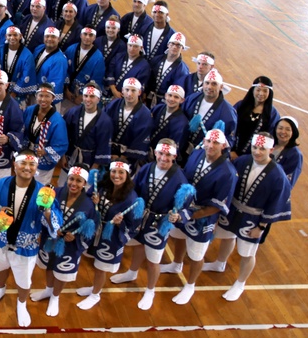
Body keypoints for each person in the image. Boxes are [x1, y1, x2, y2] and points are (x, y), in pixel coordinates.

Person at [204, 132, 293, 301]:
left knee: (247, 252)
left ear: (271, 150)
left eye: (262, 148)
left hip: (253, 218)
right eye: (255, 147)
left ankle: (240, 283)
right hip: (233, 210)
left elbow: (275, 203)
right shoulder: (243, 161)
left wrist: (261, 227)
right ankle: (219, 263)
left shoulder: (278, 176)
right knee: (227, 237)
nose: (257, 152)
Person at [111, 139, 192, 310]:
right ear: (155, 153)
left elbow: (185, 207)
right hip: (141, 216)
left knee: (154, 259)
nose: (164, 158)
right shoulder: (147, 168)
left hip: (159, 222)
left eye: (168, 155)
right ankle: (132, 272)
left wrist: (177, 217)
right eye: (161, 153)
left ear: (174, 156)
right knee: (139, 245)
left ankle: (150, 290)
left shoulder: (180, 179)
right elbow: (135, 189)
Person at [161, 128, 238, 304]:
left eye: (216, 143)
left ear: (223, 145)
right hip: (184, 209)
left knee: (196, 254)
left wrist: (190, 215)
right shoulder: (197, 154)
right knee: (178, 237)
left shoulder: (228, 172)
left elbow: (218, 206)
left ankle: (190, 285)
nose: (210, 146)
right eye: (208, 141)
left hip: (203, 216)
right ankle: (176, 264)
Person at [0, 151, 47, 327]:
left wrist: (47, 211)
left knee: (24, 279)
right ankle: (0, 289)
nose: (27, 167)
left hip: (26, 245)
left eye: (31, 164)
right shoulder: (0, 185)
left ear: (36, 167)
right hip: (2, 239)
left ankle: (22, 303)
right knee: (0, 267)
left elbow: (52, 217)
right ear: (14, 165)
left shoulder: (43, 192)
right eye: (23, 163)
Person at [31, 167, 98, 317]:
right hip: (50, 237)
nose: (74, 183)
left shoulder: (88, 204)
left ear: (85, 183)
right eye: (71, 179)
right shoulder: (56, 193)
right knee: (49, 265)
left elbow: (91, 227)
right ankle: (48, 289)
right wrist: (51, 226)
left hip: (70, 244)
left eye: (78, 181)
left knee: (61, 272)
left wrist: (75, 237)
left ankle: (55, 297)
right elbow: (42, 212)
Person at [76, 161, 140, 310]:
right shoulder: (102, 186)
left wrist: (120, 223)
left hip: (111, 236)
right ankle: (94, 287)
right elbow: (87, 198)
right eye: (113, 172)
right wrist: (94, 202)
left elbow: (133, 226)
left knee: (101, 266)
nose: (116, 175)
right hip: (96, 230)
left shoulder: (131, 198)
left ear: (127, 175)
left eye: (121, 173)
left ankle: (95, 294)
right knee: (94, 262)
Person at [183, 69, 238, 156]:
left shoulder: (228, 113)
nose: (209, 87)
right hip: (183, 145)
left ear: (221, 87)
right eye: (207, 83)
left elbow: (228, 139)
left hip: (205, 153)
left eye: (214, 84)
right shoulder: (192, 99)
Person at [21, 83, 68, 184]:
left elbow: (61, 144)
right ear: (36, 96)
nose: (43, 99)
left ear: (53, 98)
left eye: (47, 96)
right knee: (24, 182)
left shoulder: (58, 120)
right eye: (41, 95)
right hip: (27, 152)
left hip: (43, 158)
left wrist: (45, 151)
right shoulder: (29, 110)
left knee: (39, 187)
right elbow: (22, 130)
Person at [105, 78, 153, 170]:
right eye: (127, 90)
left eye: (133, 90)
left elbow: (141, 139)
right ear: (122, 91)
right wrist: (107, 151)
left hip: (128, 157)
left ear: (139, 92)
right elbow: (104, 127)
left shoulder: (145, 114)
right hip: (108, 152)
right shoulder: (113, 105)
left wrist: (122, 158)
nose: (129, 94)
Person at [63, 83, 113, 171]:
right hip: (70, 156)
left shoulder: (105, 121)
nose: (88, 99)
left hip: (90, 161)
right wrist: (63, 156)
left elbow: (103, 145)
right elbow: (63, 135)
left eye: (92, 96)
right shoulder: (73, 113)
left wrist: (95, 166)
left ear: (98, 99)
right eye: (86, 96)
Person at [232, 76, 281, 159]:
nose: (261, 94)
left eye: (265, 91)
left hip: (255, 157)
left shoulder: (272, 114)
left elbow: (271, 138)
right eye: (258, 90)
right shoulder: (241, 106)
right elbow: (231, 126)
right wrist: (231, 150)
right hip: (231, 152)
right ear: (252, 90)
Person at [0, 26, 35, 104]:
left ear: (20, 36)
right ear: (6, 36)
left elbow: (26, 74)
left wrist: (14, 92)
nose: (12, 38)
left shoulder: (28, 55)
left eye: (15, 35)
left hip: (17, 92)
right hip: (0, 87)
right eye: (9, 35)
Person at [146, 32, 190, 108]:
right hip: (148, 97)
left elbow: (177, 90)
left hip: (165, 103)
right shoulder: (156, 60)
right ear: (168, 44)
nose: (174, 47)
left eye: (178, 45)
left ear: (182, 48)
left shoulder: (183, 70)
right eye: (172, 44)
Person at [149, 86, 191, 161]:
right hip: (148, 149)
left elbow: (175, 145)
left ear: (182, 100)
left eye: (176, 97)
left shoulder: (182, 122)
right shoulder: (158, 108)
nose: (171, 99)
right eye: (170, 95)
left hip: (163, 156)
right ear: (165, 95)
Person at [65, 27, 105, 102]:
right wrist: (65, 89)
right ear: (80, 35)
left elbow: (97, 79)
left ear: (94, 38)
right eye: (85, 34)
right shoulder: (70, 49)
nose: (87, 37)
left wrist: (83, 96)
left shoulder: (98, 57)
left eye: (90, 35)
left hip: (84, 97)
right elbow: (64, 70)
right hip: (67, 92)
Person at [105, 35, 151, 100]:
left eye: (135, 46)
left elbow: (140, 85)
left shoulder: (144, 65)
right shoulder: (118, 56)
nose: (132, 49)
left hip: (129, 97)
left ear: (141, 48)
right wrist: (114, 90)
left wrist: (124, 94)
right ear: (127, 45)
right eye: (130, 45)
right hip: (111, 93)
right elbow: (110, 72)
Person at [31, 27, 69, 97]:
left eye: (53, 37)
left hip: (46, 97)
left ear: (58, 39)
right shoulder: (39, 48)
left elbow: (56, 84)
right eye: (47, 36)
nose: (49, 39)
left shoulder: (60, 60)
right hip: (34, 91)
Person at [271, 116, 303, 187]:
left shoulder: (295, 155)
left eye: (288, 129)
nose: (283, 132)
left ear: (293, 132)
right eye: (280, 128)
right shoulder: (269, 143)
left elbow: (287, 182)